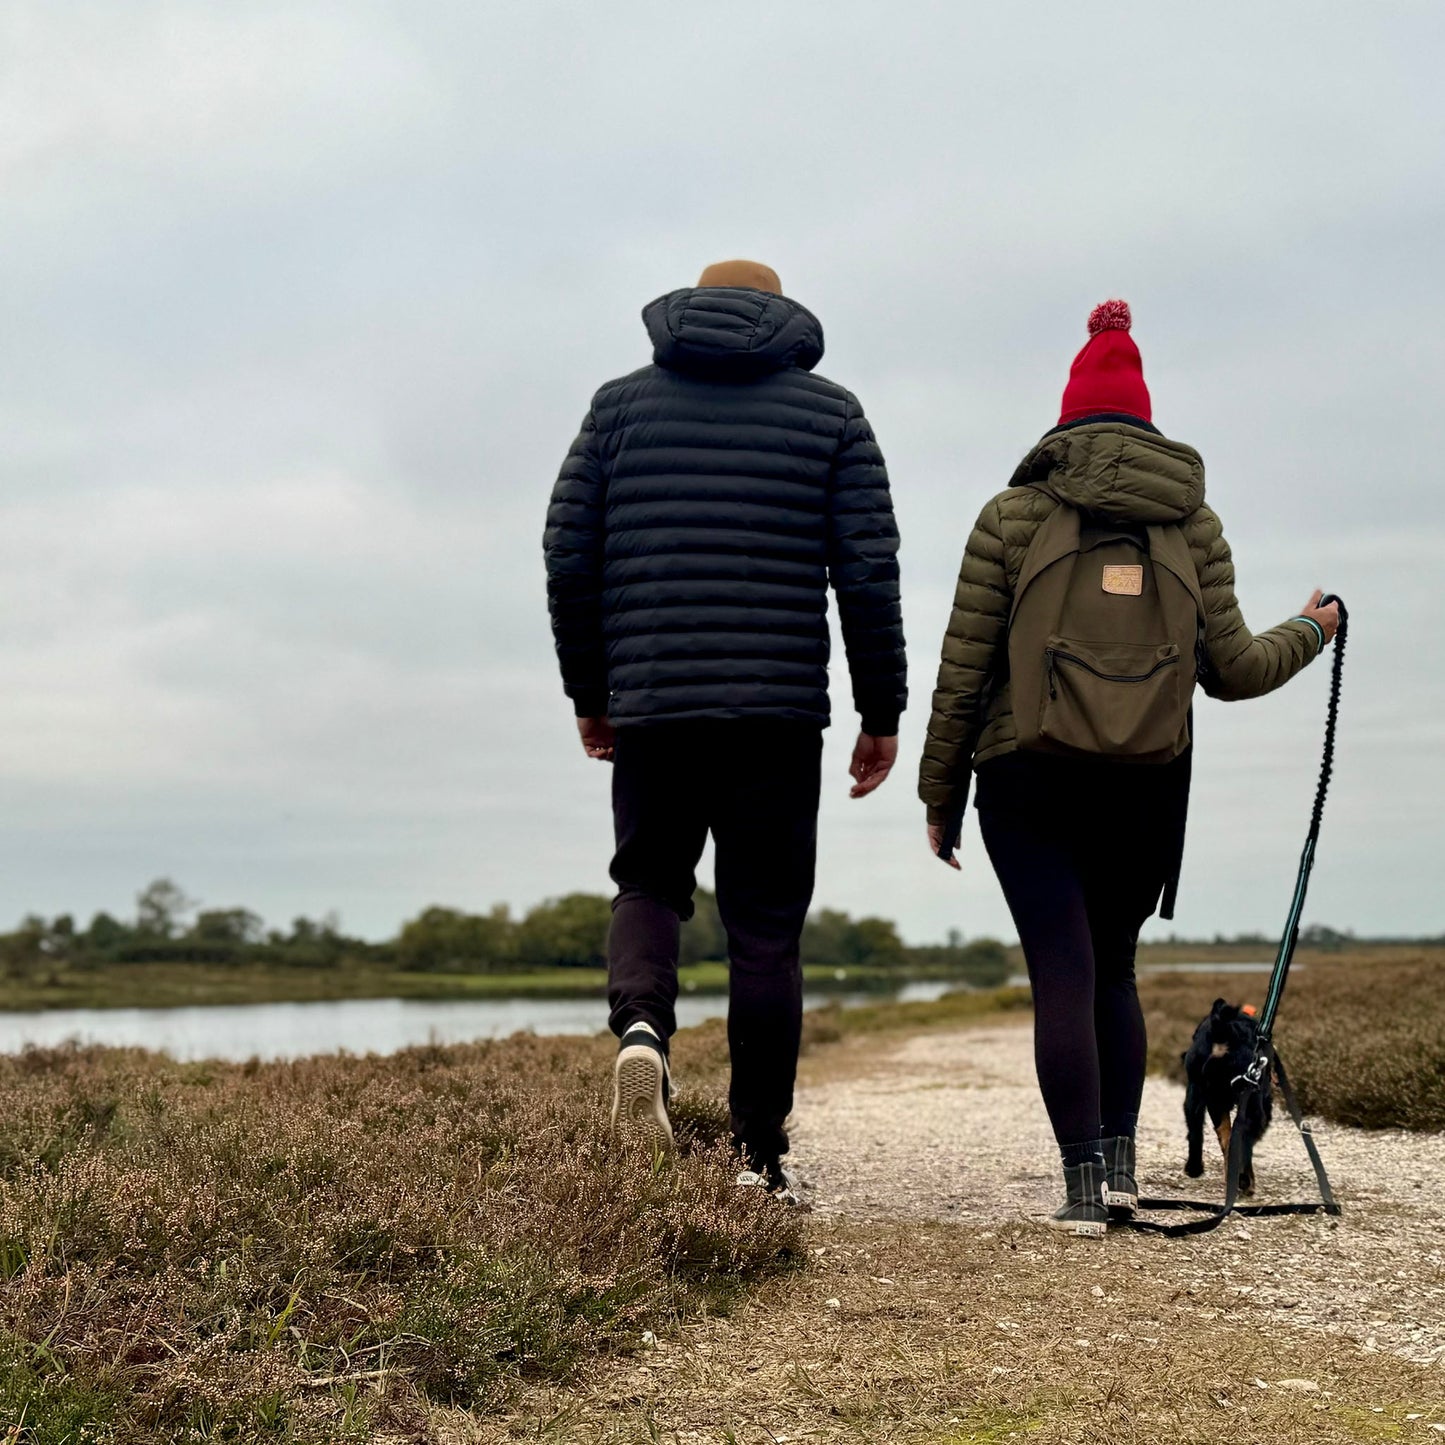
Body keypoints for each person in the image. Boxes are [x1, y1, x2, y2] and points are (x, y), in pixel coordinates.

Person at [918, 300, 1338, 1236]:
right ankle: (1120, 1171)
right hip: (1148, 781)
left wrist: (939, 792)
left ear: (1065, 415)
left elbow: (963, 666)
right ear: (1145, 417)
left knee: (1060, 975)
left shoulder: (1012, 514)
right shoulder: (1194, 524)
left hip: (1023, 772)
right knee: (1114, 972)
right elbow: (1233, 670)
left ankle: (1078, 1188)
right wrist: (1315, 626)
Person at [544, 260, 906, 1198]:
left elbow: (566, 553)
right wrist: (881, 711)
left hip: (654, 701)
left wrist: (593, 690)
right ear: (782, 316)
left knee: (649, 882)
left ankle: (642, 1031)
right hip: (777, 713)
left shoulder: (617, 409)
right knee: (764, 931)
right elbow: (867, 571)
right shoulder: (832, 413)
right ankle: (757, 1153)